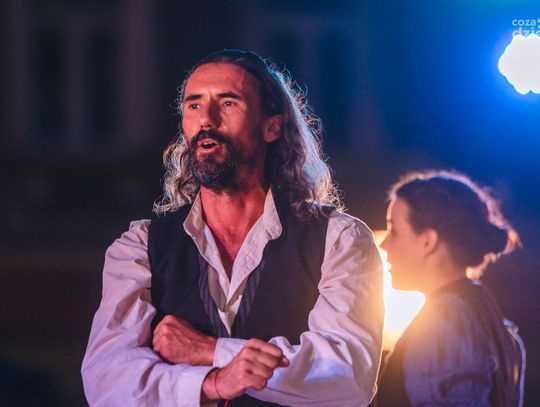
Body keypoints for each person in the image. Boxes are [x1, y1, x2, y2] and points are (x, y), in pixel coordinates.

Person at [81, 49, 384, 407]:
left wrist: (212, 350)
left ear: (272, 127)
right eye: (194, 105)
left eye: (227, 103)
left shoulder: (338, 239)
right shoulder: (140, 247)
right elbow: (107, 381)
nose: (206, 120)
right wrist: (213, 383)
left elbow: (348, 374)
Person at [376, 170, 525, 407]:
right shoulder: (481, 313)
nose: (384, 244)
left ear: (428, 241)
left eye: (394, 231)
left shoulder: (446, 323)